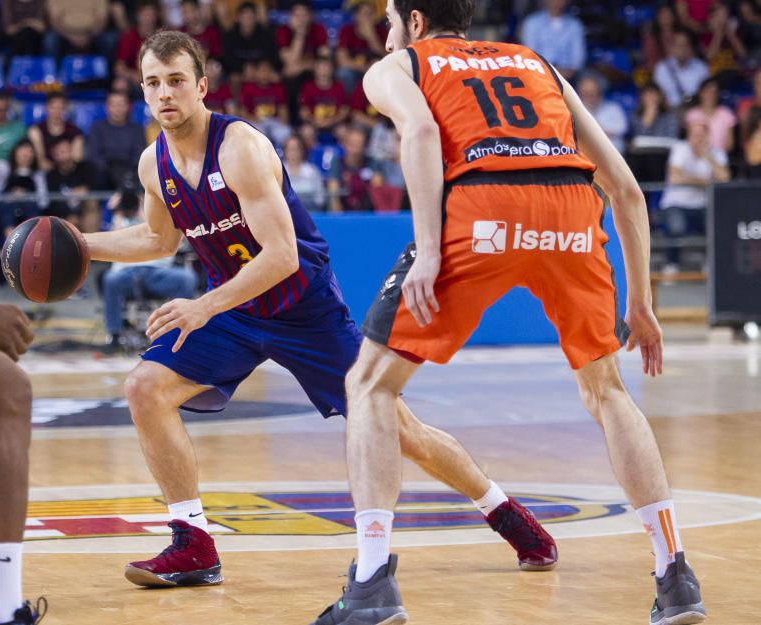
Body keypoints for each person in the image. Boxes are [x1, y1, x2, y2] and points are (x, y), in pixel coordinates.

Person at [81, 29, 557, 593]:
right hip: (233, 312)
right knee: (145, 389)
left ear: (202, 86)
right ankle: (193, 543)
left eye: (177, 81)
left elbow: (281, 257)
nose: (165, 94)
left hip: (301, 308)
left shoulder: (241, 148)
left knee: (399, 429)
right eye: (153, 84)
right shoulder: (152, 165)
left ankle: (499, 508)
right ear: (142, 91)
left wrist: (202, 306)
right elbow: (159, 241)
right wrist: (80, 245)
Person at [310, 2, 707, 624]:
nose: (387, 32)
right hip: (571, 208)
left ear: (413, 21)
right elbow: (626, 190)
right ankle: (675, 574)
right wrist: (643, 305)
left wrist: (431, 248)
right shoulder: (538, 63)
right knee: (606, 392)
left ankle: (371, 581)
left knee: (369, 384)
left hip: (482, 204)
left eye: (389, 18)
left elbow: (417, 134)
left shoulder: (400, 64)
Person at [97, 186, 198, 354]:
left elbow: (159, 233)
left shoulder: (156, 211)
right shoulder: (118, 218)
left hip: (158, 273)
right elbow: (110, 239)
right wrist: (115, 210)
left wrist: (143, 210)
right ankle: (114, 334)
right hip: (126, 274)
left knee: (187, 278)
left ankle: (182, 331)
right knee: (110, 279)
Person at [659, 119, 730, 272]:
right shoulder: (680, 148)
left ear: (707, 136)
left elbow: (725, 178)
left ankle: (709, 263)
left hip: (703, 204)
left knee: (715, 227)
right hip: (676, 203)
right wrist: (704, 181)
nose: (698, 139)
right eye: (694, 135)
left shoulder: (716, 152)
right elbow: (675, 178)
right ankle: (672, 263)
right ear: (689, 136)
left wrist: (706, 157)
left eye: (701, 135)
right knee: (676, 227)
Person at [87, 90, 147, 190]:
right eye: (114, 105)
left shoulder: (137, 129)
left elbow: (139, 154)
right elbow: (94, 154)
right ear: (107, 107)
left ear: (128, 107)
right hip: (104, 173)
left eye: (121, 104)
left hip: (131, 172)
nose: (118, 108)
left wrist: (128, 172)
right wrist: (109, 171)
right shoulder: (97, 128)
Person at [519, 0, 586, 81]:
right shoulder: (532, 22)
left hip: (568, 78)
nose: (555, 2)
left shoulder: (575, 25)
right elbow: (529, 55)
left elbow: (577, 61)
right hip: (538, 73)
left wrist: (562, 75)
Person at [627, 83, 680, 183]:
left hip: (664, 155)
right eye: (647, 95)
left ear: (660, 97)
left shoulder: (669, 116)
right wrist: (649, 115)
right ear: (642, 98)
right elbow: (639, 138)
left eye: (654, 94)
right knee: (635, 162)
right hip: (641, 156)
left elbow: (672, 138)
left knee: (653, 161)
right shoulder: (635, 116)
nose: (651, 98)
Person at [46, 136, 100, 231]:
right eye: (58, 152)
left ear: (71, 150)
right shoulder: (51, 176)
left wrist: (86, 190)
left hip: (84, 212)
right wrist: (69, 215)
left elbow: (98, 188)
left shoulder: (86, 168)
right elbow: (52, 204)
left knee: (91, 202)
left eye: (64, 151)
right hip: (62, 216)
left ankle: (91, 240)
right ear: (53, 155)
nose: (63, 156)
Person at [27, 91, 85, 172]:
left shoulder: (75, 131)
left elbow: (77, 159)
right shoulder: (36, 130)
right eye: (53, 108)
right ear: (46, 108)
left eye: (60, 108)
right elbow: (40, 161)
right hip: (44, 172)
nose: (56, 112)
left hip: (69, 172)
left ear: (65, 109)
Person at [653, 30, 710, 109]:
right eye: (678, 45)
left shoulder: (701, 67)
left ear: (690, 48)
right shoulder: (662, 68)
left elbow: (708, 93)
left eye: (685, 45)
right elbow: (658, 95)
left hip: (695, 110)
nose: (682, 49)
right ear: (671, 48)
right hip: (670, 111)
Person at [577, 73, 629, 154]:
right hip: (586, 155)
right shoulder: (576, 110)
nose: (589, 96)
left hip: (614, 154)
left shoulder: (613, 108)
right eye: (585, 93)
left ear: (600, 92)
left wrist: (592, 134)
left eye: (592, 93)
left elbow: (622, 128)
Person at [685, 77, 737, 153]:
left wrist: (714, 155)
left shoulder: (726, 114)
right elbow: (689, 141)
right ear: (700, 93)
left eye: (714, 92)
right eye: (707, 91)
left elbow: (729, 145)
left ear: (718, 94)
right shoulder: (692, 114)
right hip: (696, 156)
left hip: (719, 157)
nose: (710, 95)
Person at [283, 133, 327, 212]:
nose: (292, 153)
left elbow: (320, 198)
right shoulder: (280, 172)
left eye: (295, 149)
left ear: (301, 151)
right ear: (285, 151)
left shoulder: (312, 171)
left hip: (310, 212)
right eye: (289, 149)